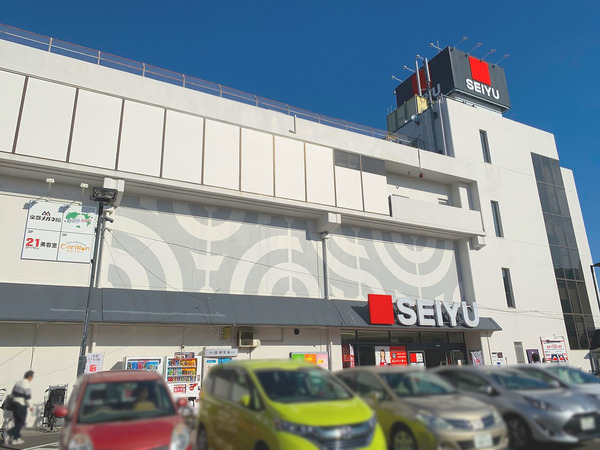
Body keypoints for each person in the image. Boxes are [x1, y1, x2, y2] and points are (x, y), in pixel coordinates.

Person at [2, 370, 34, 446]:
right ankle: (8, 433)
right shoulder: (26, 385)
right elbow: (27, 397)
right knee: (21, 423)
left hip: (14, 405)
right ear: (30, 377)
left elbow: (13, 394)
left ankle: (16, 439)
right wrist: (31, 406)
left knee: (17, 423)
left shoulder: (18, 383)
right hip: (21, 405)